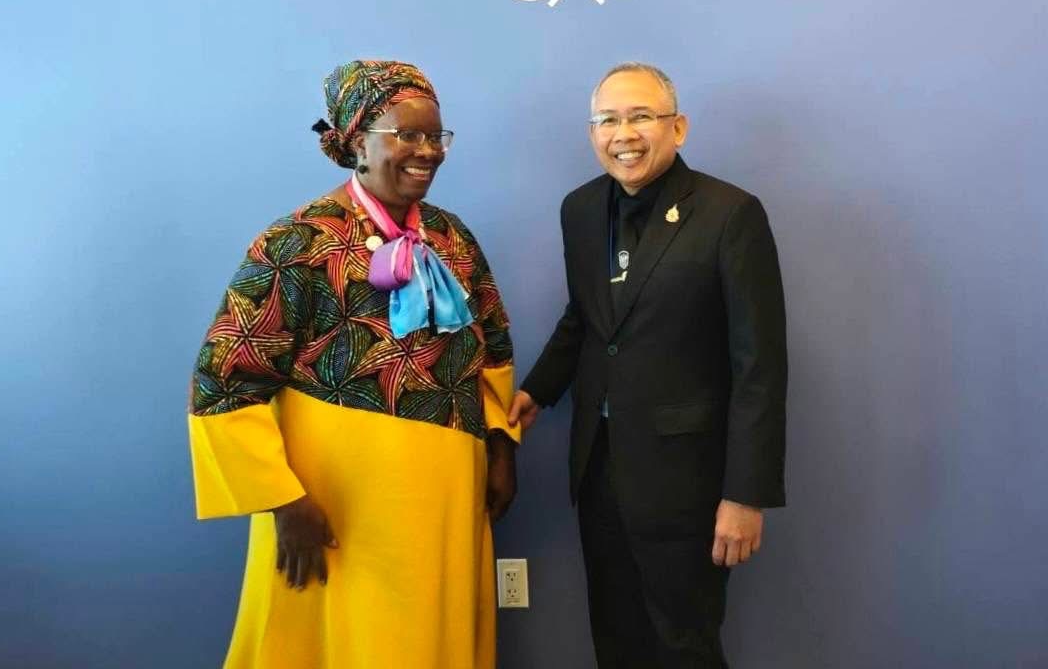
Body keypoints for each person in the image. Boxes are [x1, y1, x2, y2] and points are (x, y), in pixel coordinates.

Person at [188, 59, 520, 669]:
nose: (427, 151)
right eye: (406, 134)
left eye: (436, 136)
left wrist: (501, 446)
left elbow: (492, 347)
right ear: (358, 142)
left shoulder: (453, 239)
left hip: (444, 499)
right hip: (335, 510)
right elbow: (224, 379)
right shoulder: (296, 243)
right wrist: (283, 503)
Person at [508, 62, 787, 668]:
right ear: (592, 133)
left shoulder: (730, 213)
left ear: (677, 128)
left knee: (684, 646)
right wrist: (538, 391)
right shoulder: (580, 209)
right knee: (616, 640)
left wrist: (746, 494)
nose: (624, 134)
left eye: (641, 117)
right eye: (608, 120)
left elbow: (760, 366)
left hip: (689, 480)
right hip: (599, 466)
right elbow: (586, 318)